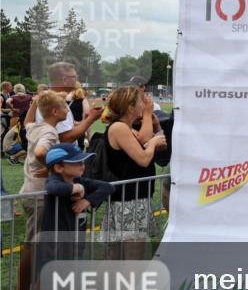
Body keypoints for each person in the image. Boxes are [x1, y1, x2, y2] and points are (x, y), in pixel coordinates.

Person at [11, 91, 66, 290]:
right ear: (54, 112)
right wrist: (54, 167)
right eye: (63, 106)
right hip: (39, 196)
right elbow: (43, 150)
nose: (67, 109)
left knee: (36, 244)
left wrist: (35, 102)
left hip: (29, 192)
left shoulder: (36, 127)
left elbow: (27, 122)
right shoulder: (50, 132)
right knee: (34, 246)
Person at [102, 87, 166, 253]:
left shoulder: (127, 127)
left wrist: (153, 124)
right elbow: (144, 159)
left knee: (121, 254)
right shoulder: (119, 128)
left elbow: (144, 140)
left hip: (132, 197)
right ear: (130, 108)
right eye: (140, 103)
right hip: (128, 200)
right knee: (132, 255)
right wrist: (152, 142)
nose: (143, 106)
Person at [24, 63, 102, 144]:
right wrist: (91, 119)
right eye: (75, 77)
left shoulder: (47, 97)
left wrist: (85, 121)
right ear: (64, 80)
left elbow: (27, 123)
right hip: (58, 155)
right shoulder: (52, 101)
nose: (77, 80)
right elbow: (65, 139)